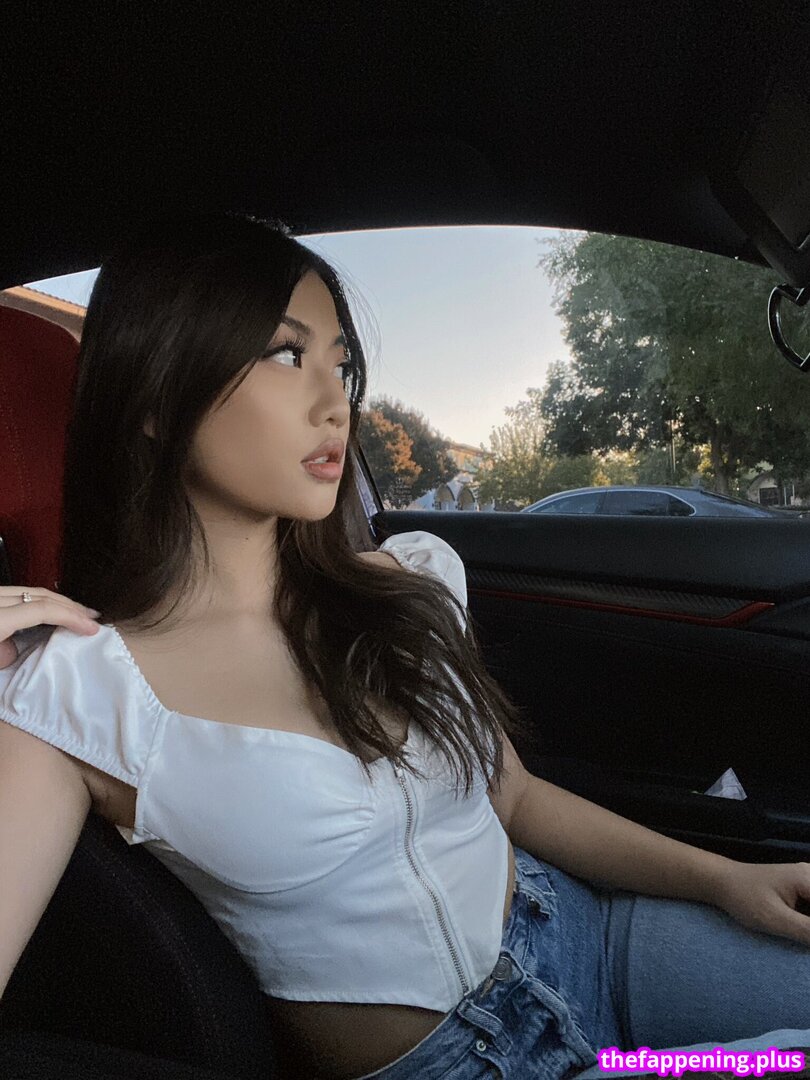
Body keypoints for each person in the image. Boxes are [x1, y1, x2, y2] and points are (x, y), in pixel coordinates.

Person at [1, 211, 809, 1080]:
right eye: (286, 354)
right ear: (157, 399)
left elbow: (515, 798)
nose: (335, 402)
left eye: (342, 364)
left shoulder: (407, 582)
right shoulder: (75, 695)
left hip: (583, 930)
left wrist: (724, 879)